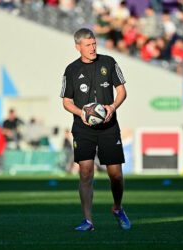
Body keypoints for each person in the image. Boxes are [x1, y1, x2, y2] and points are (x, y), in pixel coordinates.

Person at [60, 28, 130, 231]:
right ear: (78, 47)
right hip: (83, 128)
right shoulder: (71, 70)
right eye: (88, 45)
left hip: (109, 127)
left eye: (94, 44)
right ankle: (88, 220)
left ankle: (117, 208)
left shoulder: (109, 62)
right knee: (86, 172)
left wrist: (112, 107)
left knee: (115, 174)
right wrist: (81, 112)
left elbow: (122, 91)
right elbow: (66, 101)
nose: (92, 48)